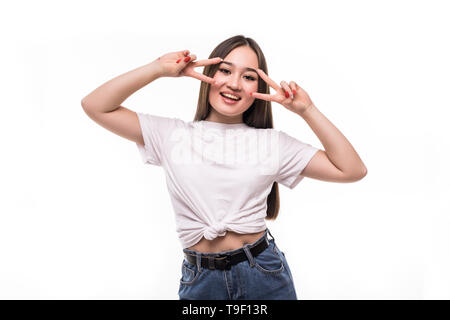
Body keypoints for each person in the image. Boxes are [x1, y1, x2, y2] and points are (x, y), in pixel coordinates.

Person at [81, 35, 368, 300]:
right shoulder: (171, 135)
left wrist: (307, 110)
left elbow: (352, 169)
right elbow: (96, 105)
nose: (234, 84)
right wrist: (158, 68)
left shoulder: (272, 143)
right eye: (225, 70)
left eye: (248, 77)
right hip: (201, 279)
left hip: (264, 275)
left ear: (259, 87)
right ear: (208, 75)